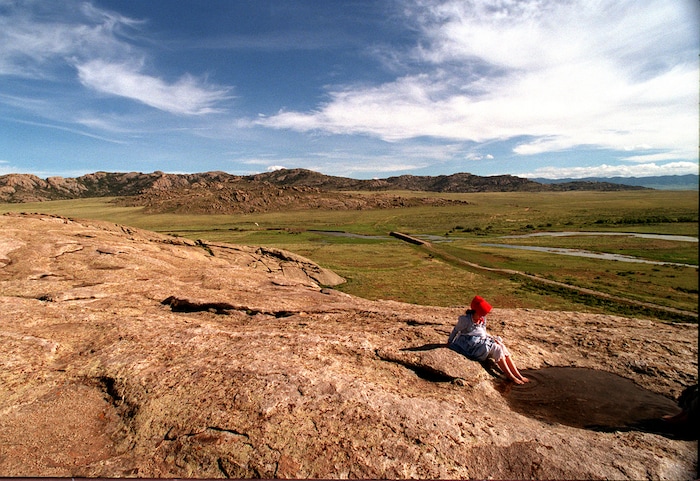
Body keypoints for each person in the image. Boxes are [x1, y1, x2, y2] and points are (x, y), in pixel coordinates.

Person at [448, 295, 529, 384]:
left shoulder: (482, 319)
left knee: (501, 346)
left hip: (481, 342)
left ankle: (518, 375)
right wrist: (449, 342)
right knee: (496, 348)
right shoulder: (466, 320)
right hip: (470, 345)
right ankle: (511, 376)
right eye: (482, 313)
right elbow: (456, 330)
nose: (483, 316)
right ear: (476, 311)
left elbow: (483, 332)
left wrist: (492, 338)